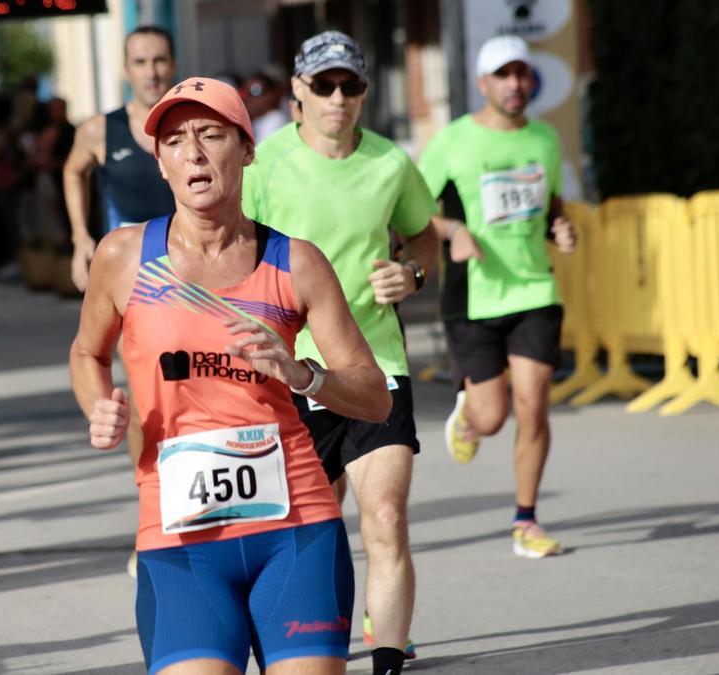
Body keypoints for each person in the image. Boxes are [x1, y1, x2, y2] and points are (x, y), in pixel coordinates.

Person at [71, 77, 391, 675]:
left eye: (210, 134)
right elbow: (87, 354)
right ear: (161, 163)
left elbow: (374, 398)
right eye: (173, 140)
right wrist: (98, 405)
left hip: (295, 529)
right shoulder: (123, 257)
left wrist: (303, 375)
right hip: (179, 543)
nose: (192, 151)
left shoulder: (295, 262)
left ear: (246, 149)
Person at [241, 30, 439, 675]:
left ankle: (386, 657)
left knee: (385, 515)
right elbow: (230, 255)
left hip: (376, 366)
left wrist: (411, 276)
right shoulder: (263, 164)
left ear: (363, 93)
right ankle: (312, 644)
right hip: (292, 373)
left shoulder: (390, 163)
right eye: (322, 85)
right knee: (313, 532)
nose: (337, 98)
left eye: (349, 85)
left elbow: (425, 239)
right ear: (297, 90)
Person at [417, 35, 576, 559]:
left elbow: (547, 201)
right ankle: (469, 415)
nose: (514, 84)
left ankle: (526, 521)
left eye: (522, 74)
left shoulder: (545, 140)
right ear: (483, 83)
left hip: (534, 287)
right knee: (493, 418)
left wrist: (561, 227)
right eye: (503, 75)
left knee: (534, 405)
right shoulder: (454, 140)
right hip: (473, 295)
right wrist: (453, 231)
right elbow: (410, 210)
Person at [64, 25, 177, 295]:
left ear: (173, 65)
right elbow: (73, 172)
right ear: (126, 70)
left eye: (159, 60)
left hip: (187, 267)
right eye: (140, 62)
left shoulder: (193, 125)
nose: (151, 73)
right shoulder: (99, 130)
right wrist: (80, 237)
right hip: (125, 270)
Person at [241, 71, 290, 143]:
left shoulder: (276, 120)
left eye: (255, 91)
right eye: (246, 92)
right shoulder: (257, 121)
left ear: (271, 94)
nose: (248, 97)